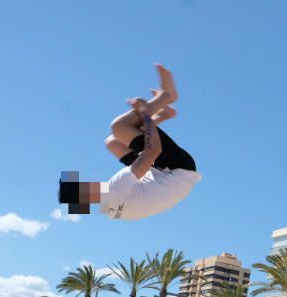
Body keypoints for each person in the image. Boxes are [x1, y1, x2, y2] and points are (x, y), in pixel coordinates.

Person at [57, 64, 201, 222]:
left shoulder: (111, 211)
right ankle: (166, 96)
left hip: (168, 179)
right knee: (120, 127)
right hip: (177, 168)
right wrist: (145, 113)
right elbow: (153, 151)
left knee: (112, 142)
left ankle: (163, 114)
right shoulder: (115, 189)